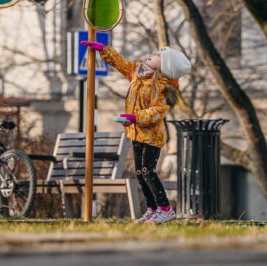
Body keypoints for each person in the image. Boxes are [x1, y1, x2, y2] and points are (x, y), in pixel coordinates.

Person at [81, 40, 191, 224]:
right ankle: (152, 209)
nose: (153, 54)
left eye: (158, 55)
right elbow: (120, 63)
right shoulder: (138, 74)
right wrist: (104, 50)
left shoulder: (163, 87)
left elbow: (157, 112)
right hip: (135, 133)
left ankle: (166, 209)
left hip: (151, 137)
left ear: (164, 66)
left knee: (148, 172)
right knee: (140, 172)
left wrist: (135, 118)